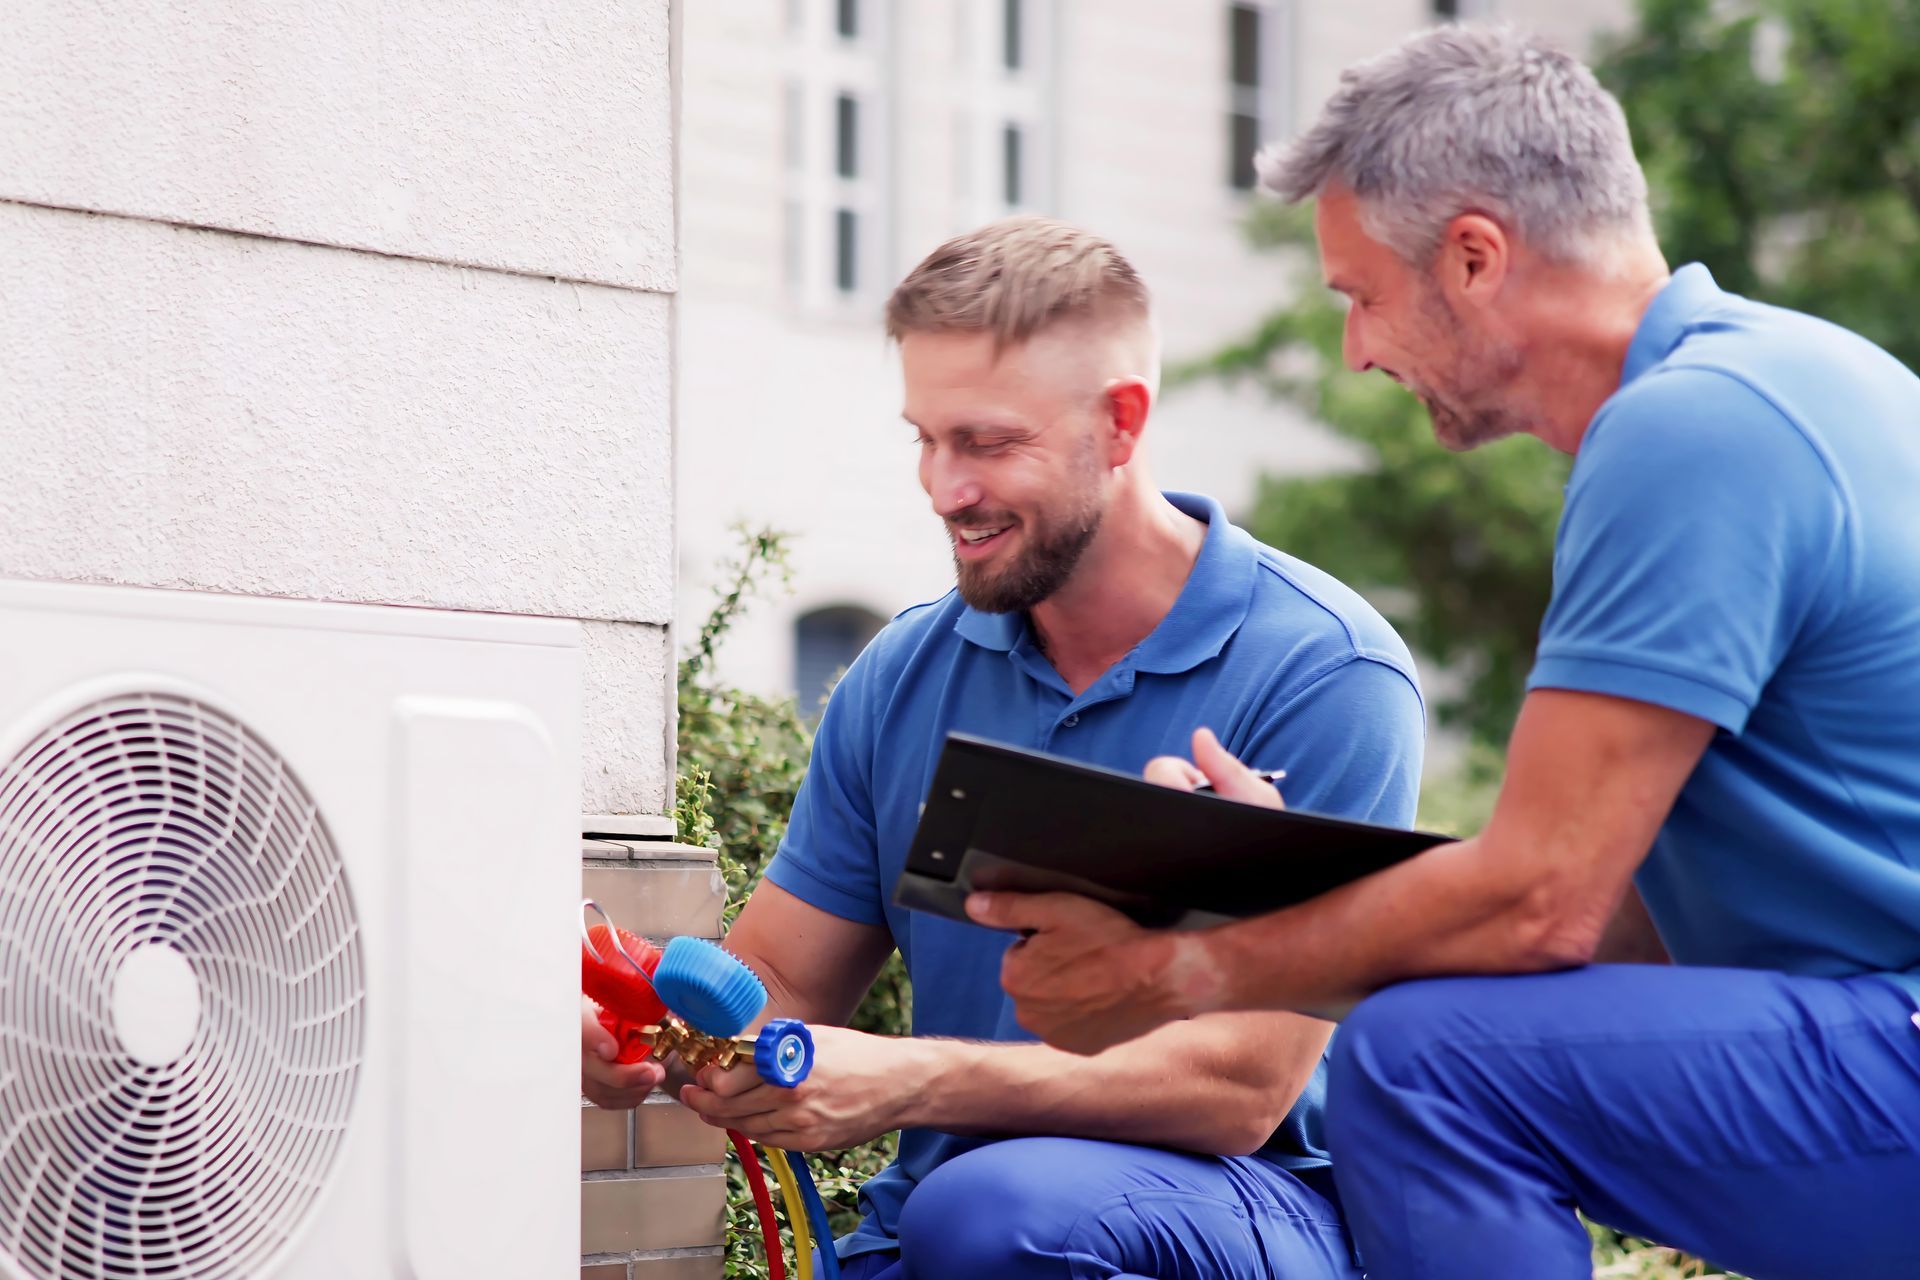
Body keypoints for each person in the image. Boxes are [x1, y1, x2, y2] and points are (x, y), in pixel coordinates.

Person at [972, 25, 1920, 1280]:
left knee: (1433, 1066)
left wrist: (1175, 970)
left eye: (1361, 295)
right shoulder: (1793, 379)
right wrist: (1274, 887)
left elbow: (1540, 904)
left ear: (1474, 257)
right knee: (1453, 1040)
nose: (1358, 348)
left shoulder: (1690, 433)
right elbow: (1605, 925)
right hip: (1875, 1032)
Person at [583, 216, 1427, 1279]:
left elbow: (1242, 1085)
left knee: (994, 1209)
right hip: (943, 1228)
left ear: (1121, 424)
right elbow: (783, 980)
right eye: (925, 439)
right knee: (968, 1216)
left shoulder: (1322, 672)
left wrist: (914, 1081)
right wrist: (648, 1037)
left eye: (986, 441)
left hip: (1249, 1212)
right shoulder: (902, 678)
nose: (944, 486)